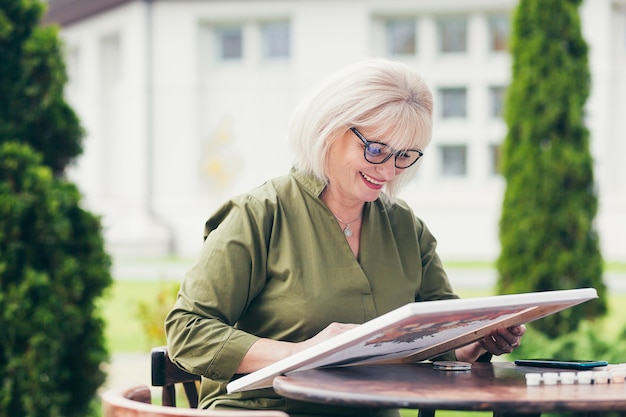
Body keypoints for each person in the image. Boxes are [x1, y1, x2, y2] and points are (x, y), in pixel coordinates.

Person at [165, 58, 526, 417]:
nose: (387, 170)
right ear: (329, 128)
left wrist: (475, 342)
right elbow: (187, 330)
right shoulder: (260, 215)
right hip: (266, 410)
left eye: (404, 156)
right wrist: (301, 352)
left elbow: (439, 339)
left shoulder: (404, 228)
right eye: (375, 149)